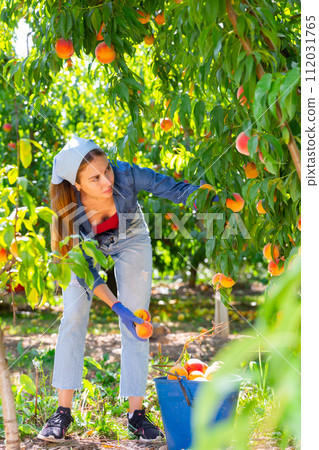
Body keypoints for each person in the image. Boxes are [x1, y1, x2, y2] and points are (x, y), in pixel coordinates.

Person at [37, 136, 218, 443]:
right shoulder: (67, 213)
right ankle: (62, 412)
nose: (107, 180)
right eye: (95, 178)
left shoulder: (126, 174)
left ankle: (136, 415)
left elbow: (172, 188)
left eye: (107, 170)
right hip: (87, 249)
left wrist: (210, 200)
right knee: (73, 316)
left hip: (131, 235)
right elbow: (87, 274)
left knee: (138, 322)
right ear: (77, 184)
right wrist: (115, 306)